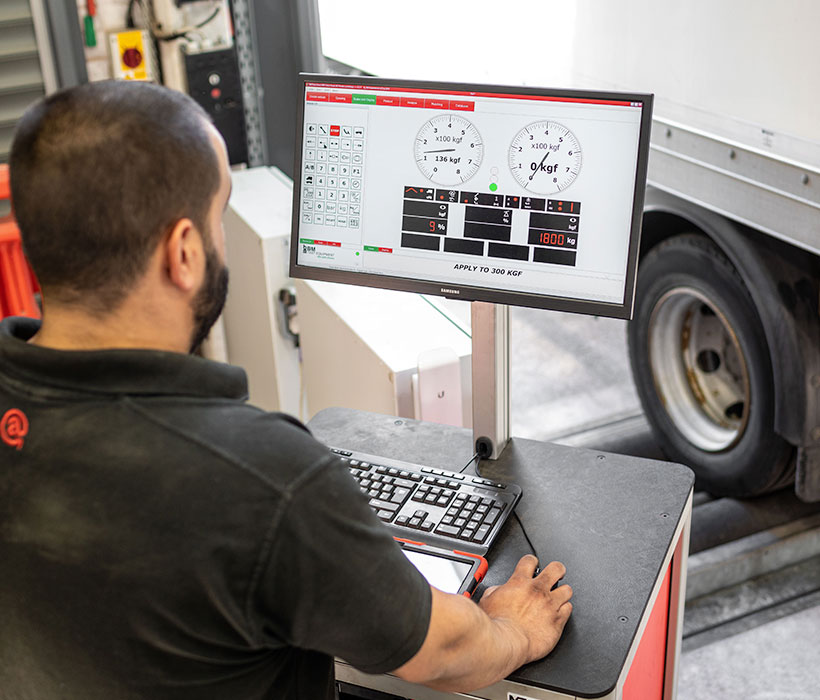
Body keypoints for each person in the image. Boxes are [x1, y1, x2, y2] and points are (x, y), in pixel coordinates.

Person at [0, 81, 572, 700]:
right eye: (219, 217)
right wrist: (512, 627)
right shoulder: (258, 479)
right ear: (185, 252)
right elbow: (442, 649)